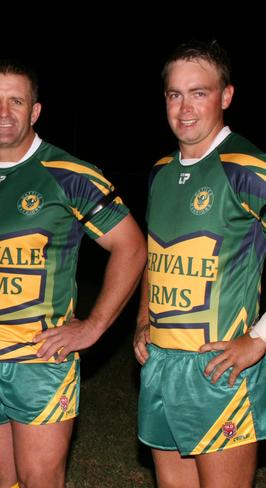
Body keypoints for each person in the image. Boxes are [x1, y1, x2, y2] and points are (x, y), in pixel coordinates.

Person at [0, 59, 146, 488]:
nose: (3, 112)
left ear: (35, 111)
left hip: (40, 360)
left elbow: (131, 246)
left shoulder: (69, 175)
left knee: (40, 477)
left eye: (16, 101)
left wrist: (93, 326)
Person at [133, 40, 266, 488]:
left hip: (219, 369)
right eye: (175, 94)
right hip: (162, 364)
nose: (185, 108)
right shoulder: (160, 172)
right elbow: (156, 255)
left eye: (199, 92)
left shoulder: (248, 166)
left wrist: (259, 340)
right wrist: (144, 321)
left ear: (226, 96)